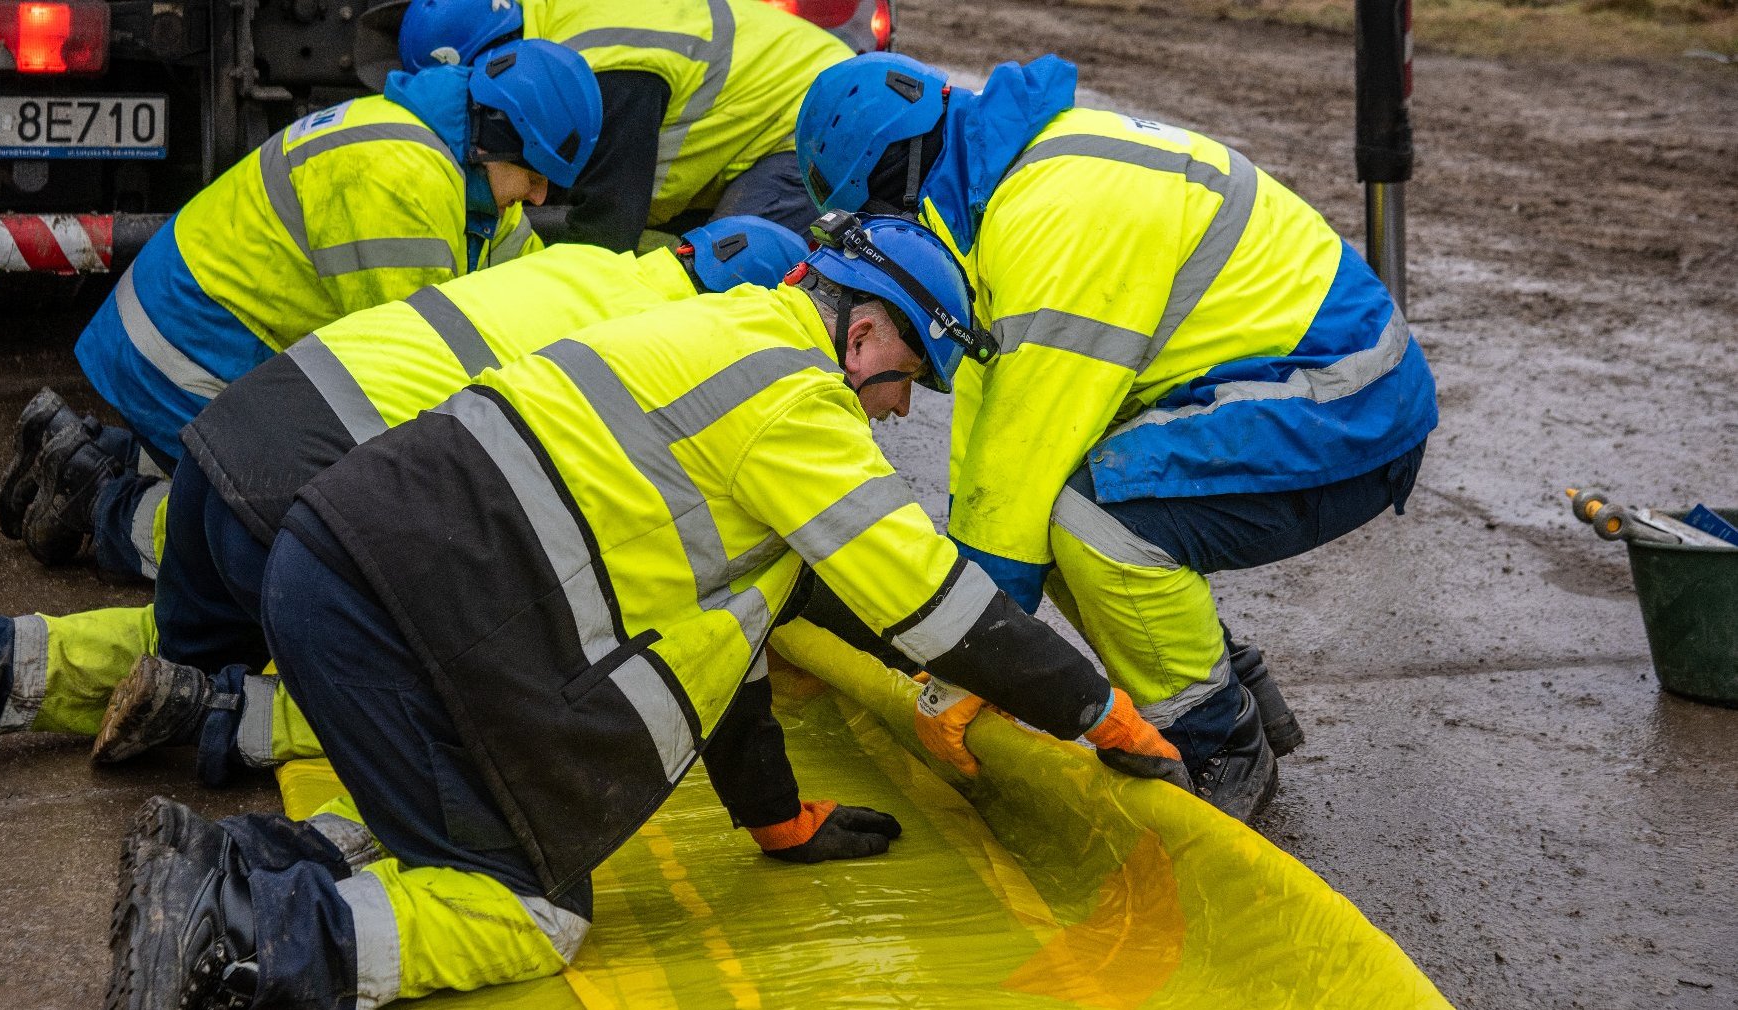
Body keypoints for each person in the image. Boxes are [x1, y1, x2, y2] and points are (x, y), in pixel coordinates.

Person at [107, 212, 1188, 1009]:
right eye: (911, 375)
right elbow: (931, 605)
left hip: (332, 566)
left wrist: (774, 816)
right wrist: (1095, 706)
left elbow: (732, 644)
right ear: (863, 335)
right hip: (395, 616)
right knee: (531, 908)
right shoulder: (795, 403)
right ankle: (232, 938)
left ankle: (217, 867)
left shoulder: (711, 335)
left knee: (456, 826)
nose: (903, 406)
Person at [793, 53, 1441, 821]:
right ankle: (1232, 681)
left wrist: (967, 665)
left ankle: (1218, 741)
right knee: (1061, 514)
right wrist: (968, 621)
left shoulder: (1050, 215)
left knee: (1084, 515)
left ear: (894, 180)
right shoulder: (1005, 196)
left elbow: (1021, 474)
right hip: (1306, 388)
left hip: (1346, 402)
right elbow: (989, 449)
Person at [0, 218, 809, 775]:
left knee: (177, 641)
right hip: (311, 504)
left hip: (229, 441)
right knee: (484, 693)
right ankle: (230, 722)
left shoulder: (587, 262)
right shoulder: (654, 356)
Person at [0, 38, 603, 583]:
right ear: (496, 136)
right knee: (292, 541)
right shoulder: (403, 179)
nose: (541, 195)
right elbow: (413, 378)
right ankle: (101, 504)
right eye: (535, 174)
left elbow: (534, 285)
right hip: (185, 349)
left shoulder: (458, 172)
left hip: (187, 332)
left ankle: (79, 451)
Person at [397, 0, 852, 251]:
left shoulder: (604, 69)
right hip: (771, 108)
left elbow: (605, 231)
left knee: (725, 271)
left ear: (493, 59)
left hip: (812, 121)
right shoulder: (552, 25)